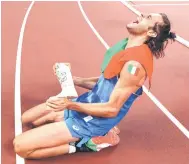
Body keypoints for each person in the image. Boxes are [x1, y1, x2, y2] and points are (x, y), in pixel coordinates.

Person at [13, 13, 176, 159]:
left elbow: (112, 109)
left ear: (152, 33)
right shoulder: (125, 47)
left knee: (20, 147)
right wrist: (71, 79)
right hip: (86, 103)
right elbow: (103, 84)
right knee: (27, 119)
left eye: (148, 18)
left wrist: (70, 104)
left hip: (93, 121)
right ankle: (65, 120)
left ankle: (85, 144)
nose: (141, 15)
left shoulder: (135, 66)